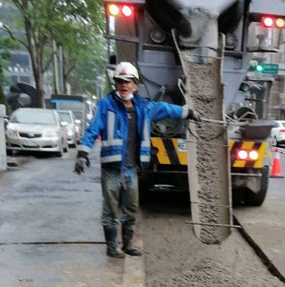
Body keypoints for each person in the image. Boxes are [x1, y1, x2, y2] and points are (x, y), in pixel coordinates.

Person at [74, 61, 200, 258]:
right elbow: (92, 131)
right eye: (120, 81)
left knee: (131, 209)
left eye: (128, 81)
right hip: (111, 169)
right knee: (110, 211)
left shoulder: (143, 107)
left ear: (135, 85)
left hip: (131, 169)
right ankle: (112, 247)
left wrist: (187, 112)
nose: (124, 85)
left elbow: (166, 109)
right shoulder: (106, 106)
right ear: (115, 83)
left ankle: (127, 245)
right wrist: (82, 153)